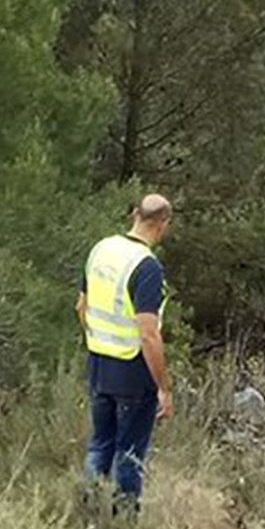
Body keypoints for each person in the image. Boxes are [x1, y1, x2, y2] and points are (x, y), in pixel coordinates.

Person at [76, 194, 174, 510]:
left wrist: (96, 338)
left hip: (99, 363)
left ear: (134, 214)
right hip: (132, 368)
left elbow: (81, 306)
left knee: (99, 444)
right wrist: (163, 387)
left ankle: (90, 513)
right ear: (163, 225)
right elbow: (148, 333)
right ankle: (123, 524)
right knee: (129, 453)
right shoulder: (146, 267)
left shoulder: (101, 250)